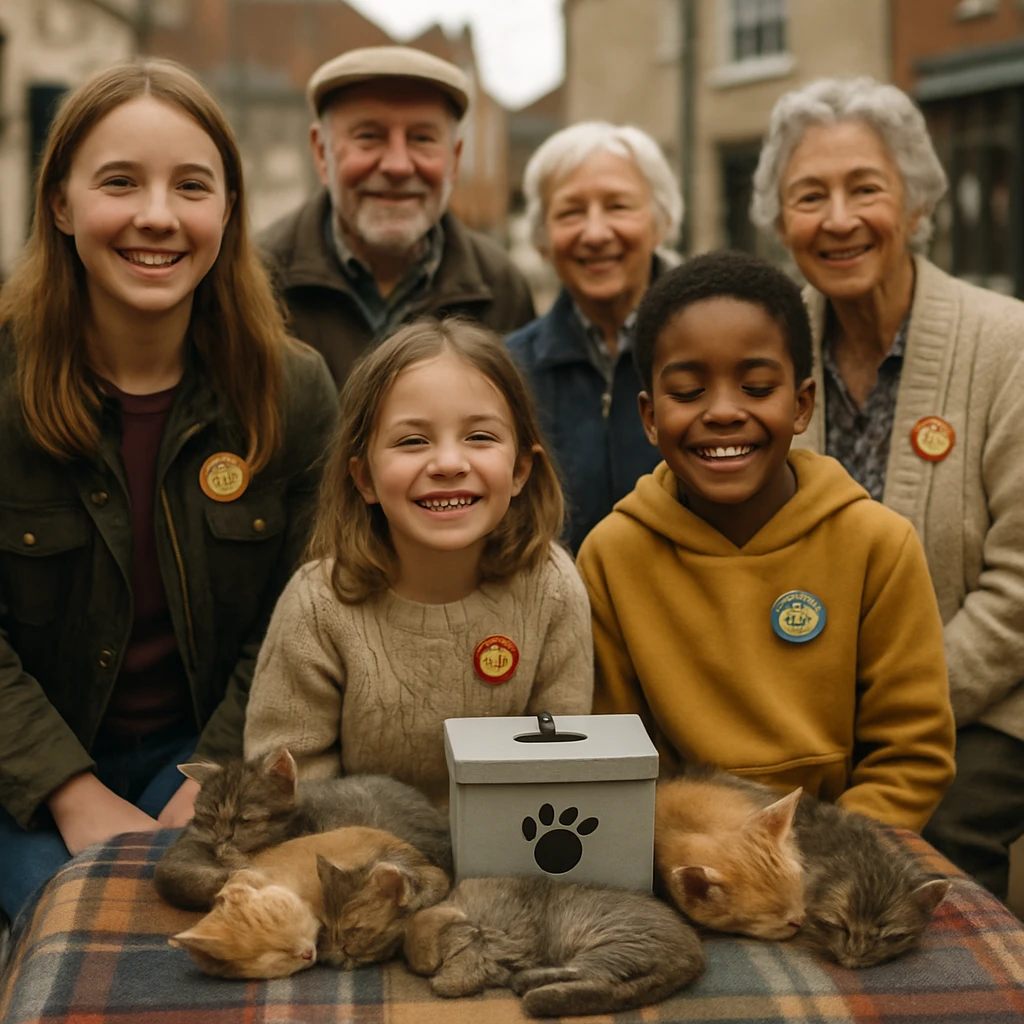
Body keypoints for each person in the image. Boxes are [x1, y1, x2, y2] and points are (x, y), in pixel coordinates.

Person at [0, 59, 338, 922]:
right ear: (62, 204)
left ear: (227, 211)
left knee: (211, 927)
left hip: (201, 752)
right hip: (19, 765)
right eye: (120, 182)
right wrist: (71, 794)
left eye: (192, 186)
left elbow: (299, 617)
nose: (157, 215)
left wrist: (220, 767)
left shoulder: (293, 392)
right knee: (70, 925)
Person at [751, 76, 1024, 898]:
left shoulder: (1005, 343)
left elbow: (1018, 587)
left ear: (914, 203)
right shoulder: (769, 351)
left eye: (865, 189)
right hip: (809, 713)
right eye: (810, 195)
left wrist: (890, 710)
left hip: (984, 705)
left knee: (912, 854)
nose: (838, 219)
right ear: (781, 219)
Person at [576, 250, 955, 832]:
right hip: (683, 852)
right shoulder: (611, 556)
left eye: (756, 387)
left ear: (802, 405)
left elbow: (912, 754)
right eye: (688, 392)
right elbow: (613, 756)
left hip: (848, 850)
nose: (724, 412)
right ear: (649, 418)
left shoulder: (878, 544)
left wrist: (823, 859)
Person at [244, 317, 594, 803]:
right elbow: (292, 786)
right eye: (413, 441)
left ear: (520, 469)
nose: (448, 463)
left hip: (510, 851)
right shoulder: (318, 605)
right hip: (359, 858)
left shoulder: (552, 588)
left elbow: (562, 769)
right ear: (364, 478)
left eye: (479, 437)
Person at [260, 45, 536, 387]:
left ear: (454, 158)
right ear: (321, 153)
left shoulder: (500, 287)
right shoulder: (255, 281)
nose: (398, 165)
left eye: (422, 138)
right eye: (369, 137)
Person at [506, 122, 683, 552]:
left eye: (618, 206)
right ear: (542, 239)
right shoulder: (506, 372)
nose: (596, 233)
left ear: (661, 223)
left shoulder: (716, 355)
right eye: (570, 212)